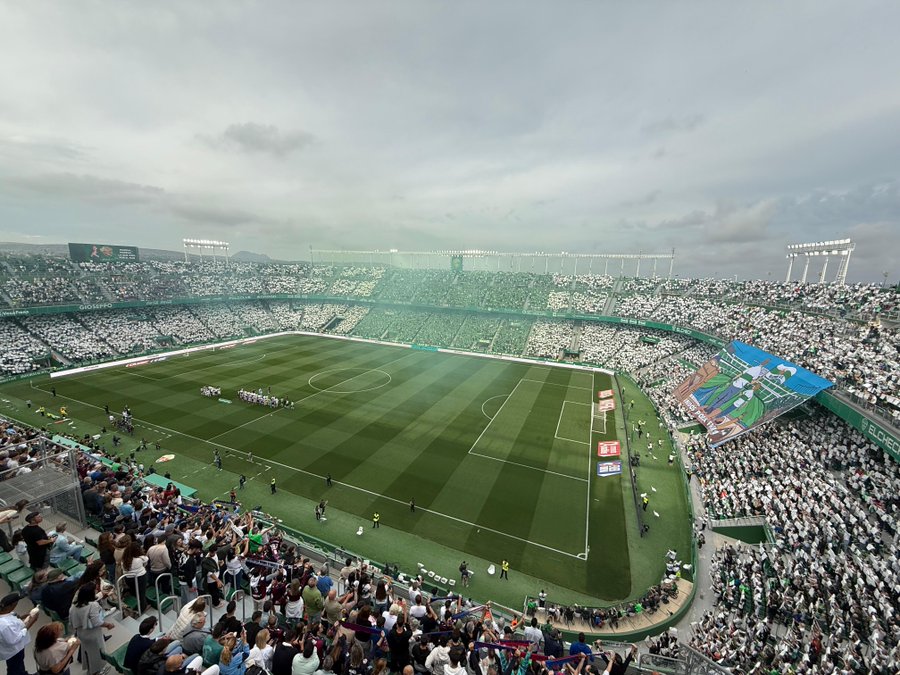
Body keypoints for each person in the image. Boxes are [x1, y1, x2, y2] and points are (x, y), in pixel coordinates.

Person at [69, 585, 116, 675]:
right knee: (97, 654)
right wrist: (108, 625)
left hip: (81, 633)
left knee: (87, 652)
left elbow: (71, 623)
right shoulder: (92, 605)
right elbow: (97, 622)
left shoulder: (74, 606)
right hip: (93, 633)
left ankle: (91, 670)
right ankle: (97, 671)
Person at [0, 592, 40, 675]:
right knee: (15, 666)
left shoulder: (5, 614)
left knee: (16, 665)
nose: (16, 605)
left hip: (13, 649)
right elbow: (13, 640)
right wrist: (31, 622)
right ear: (10, 605)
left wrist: (25, 616)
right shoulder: (5, 625)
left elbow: (13, 620)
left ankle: (21, 672)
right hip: (14, 650)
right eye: (16, 603)